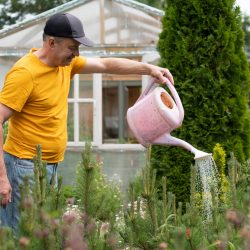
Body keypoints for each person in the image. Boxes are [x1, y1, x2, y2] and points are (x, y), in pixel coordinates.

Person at [0, 13, 174, 234]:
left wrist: (149, 69)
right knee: (21, 235)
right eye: (73, 47)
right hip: (23, 167)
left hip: (49, 165)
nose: (77, 54)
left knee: (41, 235)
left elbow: (105, 63)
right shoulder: (25, 73)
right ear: (51, 43)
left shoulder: (64, 65)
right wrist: (2, 178)